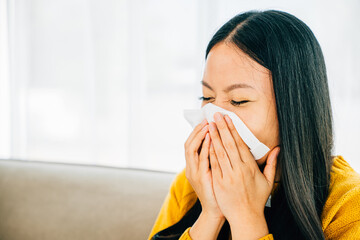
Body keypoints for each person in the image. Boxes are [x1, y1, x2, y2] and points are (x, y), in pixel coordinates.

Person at [148, 9, 360, 240]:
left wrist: (245, 216)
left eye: (239, 100)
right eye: (206, 98)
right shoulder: (191, 184)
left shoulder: (348, 204)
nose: (213, 118)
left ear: (294, 106)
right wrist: (211, 214)